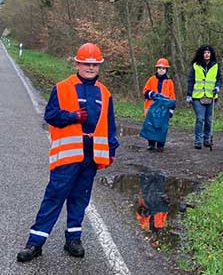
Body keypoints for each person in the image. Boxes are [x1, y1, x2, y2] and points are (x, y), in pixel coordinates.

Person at [17, 43, 119, 262]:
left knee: (80, 198)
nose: (90, 68)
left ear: (99, 66)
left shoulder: (105, 93)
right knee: (54, 196)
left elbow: (109, 124)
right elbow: (51, 115)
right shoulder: (62, 87)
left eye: (94, 64)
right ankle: (34, 243)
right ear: (77, 63)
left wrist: (111, 149)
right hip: (68, 155)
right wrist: (72, 117)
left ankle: (73, 240)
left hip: (91, 155)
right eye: (86, 64)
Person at [186, 45, 222, 149]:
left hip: (212, 96)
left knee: (209, 120)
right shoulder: (195, 66)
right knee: (200, 119)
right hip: (197, 96)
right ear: (201, 54)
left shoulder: (216, 66)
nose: (207, 54)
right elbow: (190, 80)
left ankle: (207, 139)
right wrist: (189, 94)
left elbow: (219, 79)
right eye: (205, 52)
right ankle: (198, 140)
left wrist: (218, 87)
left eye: (209, 52)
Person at [143, 58, 176, 152]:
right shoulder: (151, 80)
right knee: (151, 125)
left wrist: (171, 110)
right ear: (156, 69)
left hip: (164, 108)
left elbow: (172, 96)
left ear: (166, 70)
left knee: (162, 127)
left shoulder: (169, 82)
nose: (161, 70)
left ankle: (160, 145)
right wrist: (152, 94)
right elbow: (145, 91)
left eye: (163, 68)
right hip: (152, 107)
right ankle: (151, 144)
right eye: (159, 68)